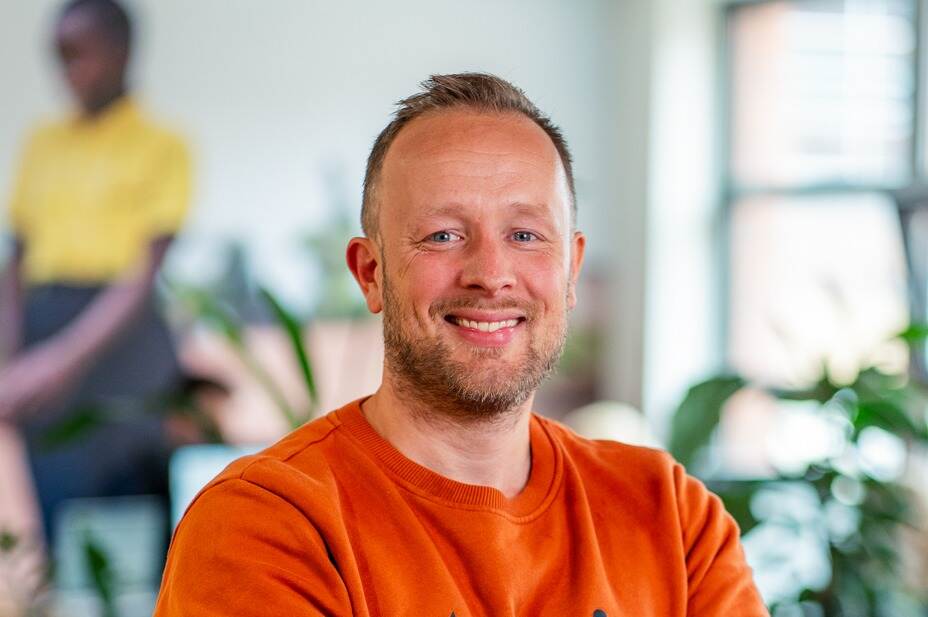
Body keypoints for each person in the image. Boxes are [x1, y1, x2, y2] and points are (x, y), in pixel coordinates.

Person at [154, 73, 767, 616]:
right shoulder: (265, 523)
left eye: (525, 234)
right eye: (443, 235)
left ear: (571, 270)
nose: (491, 274)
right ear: (371, 273)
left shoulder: (672, 517)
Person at [0, 0, 191, 544]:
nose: (66, 69)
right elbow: (15, 264)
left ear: (121, 51)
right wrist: (11, 364)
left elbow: (142, 274)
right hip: (42, 332)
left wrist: (58, 362)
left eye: (78, 52)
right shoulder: (41, 144)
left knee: (132, 518)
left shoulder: (163, 145)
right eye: (57, 55)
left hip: (122, 343)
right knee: (63, 520)